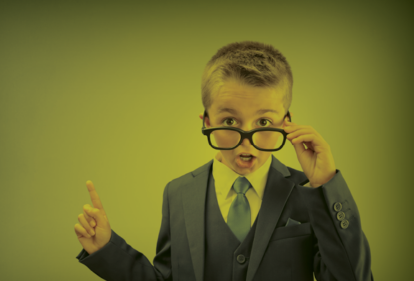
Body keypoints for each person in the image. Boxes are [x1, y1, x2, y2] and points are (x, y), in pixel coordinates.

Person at [74, 41, 373, 281]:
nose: (246, 140)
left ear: (287, 123)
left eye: (264, 122)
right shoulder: (177, 194)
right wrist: (106, 248)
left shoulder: (308, 193)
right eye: (229, 120)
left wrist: (326, 186)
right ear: (205, 122)